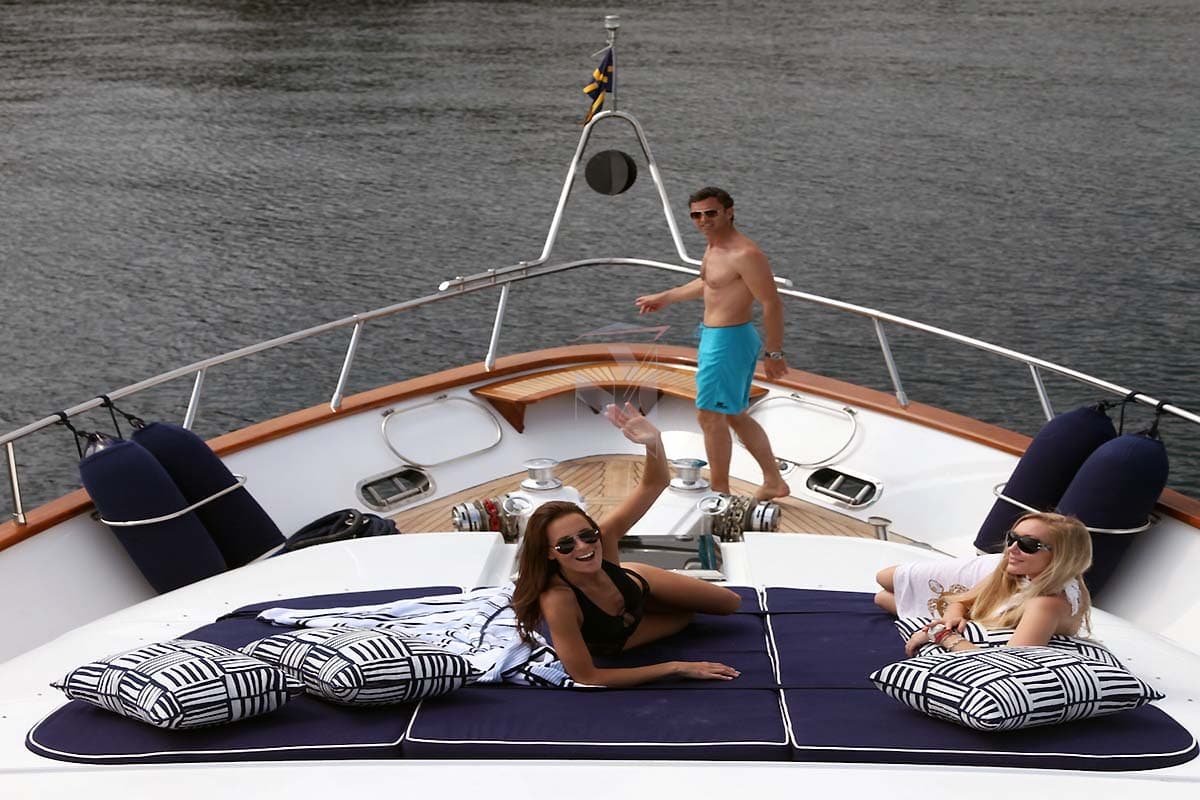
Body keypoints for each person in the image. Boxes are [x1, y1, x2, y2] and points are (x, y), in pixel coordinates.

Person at [510, 402, 743, 687]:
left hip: (636, 582)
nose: (583, 547)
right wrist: (676, 668)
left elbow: (653, 484)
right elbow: (587, 676)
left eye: (588, 535)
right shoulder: (558, 601)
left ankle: (650, 592)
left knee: (730, 604)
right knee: (684, 618)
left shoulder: (605, 536)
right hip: (618, 638)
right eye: (565, 545)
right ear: (549, 553)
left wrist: (654, 442)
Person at [634, 186, 789, 501]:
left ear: (729, 212)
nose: (703, 220)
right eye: (696, 215)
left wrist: (774, 353)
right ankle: (773, 481)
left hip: (729, 341)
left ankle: (720, 494)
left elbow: (771, 303)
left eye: (710, 213)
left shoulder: (745, 254)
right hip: (715, 336)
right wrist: (666, 297)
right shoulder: (714, 246)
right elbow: (708, 284)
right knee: (733, 414)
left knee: (709, 414)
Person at [899, 512, 1093, 657]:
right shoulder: (1021, 575)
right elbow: (961, 601)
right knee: (887, 594)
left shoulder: (1046, 603)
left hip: (985, 650)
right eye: (1012, 538)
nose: (1012, 549)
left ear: (1062, 557)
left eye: (1028, 544)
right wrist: (952, 617)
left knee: (888, 593)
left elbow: (1006, 663)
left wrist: (942, 635)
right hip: (978, 615)